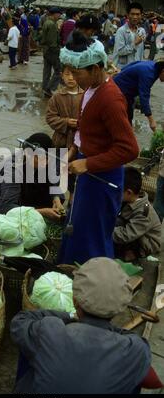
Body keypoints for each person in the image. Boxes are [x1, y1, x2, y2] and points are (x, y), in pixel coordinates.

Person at [10, 257, 161, 394]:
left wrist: (69, 317)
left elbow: (20, 321)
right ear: (119, 309)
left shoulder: (50, 331)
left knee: (31, 347)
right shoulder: (135, 349)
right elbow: (153, 380)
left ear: (75, 301)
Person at [58, 32, 139, 265]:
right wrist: (75, 147)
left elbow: (129, 149)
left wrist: (88, 163)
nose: (72, 77)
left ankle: (93, 287)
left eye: (77, 73)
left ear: (95, 68)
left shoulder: (111, 99)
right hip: (88, 172)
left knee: (92, 236)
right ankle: (70, 274)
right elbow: (86, 126)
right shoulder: (91, 89)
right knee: (78, 227)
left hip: (103, 178)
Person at [0, 133, 64, 220]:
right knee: (10, 207)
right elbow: (5, 207)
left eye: (47, 158)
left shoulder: (45, 159)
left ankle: (26, 207)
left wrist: (56, 198)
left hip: (23, 186)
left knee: (50, 194)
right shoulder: (14, 167)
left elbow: (54, 179)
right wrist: (42, 212)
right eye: (40, 158)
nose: (45, 162)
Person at [46, 65, 83, 201]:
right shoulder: (57, 97)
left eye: (74, 74)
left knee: (75, 177)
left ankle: (72, 205)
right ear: (62, 75)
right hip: (60, 143)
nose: (71, 78)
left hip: (78, 144)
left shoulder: (84, 95)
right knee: (56, 173)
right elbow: (50, 118)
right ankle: (56, 203)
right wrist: (66, 122)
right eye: (67, 74)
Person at [113, 167, 161, 261]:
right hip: (135, 231)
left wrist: (103, 230)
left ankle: (132, 255)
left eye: (118, 191)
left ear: (129, 192)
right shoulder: (129, 199)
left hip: (145, 243)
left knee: (116, 225)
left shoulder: (144, 212)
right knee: (115, 222)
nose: (115, 193)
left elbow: (126, 235)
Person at [113, 51, 164, 130]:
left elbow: (135, 63)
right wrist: (151, 121)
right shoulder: (149, 75)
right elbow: (144, 96)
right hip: (119, 91)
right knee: (124, 119)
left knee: (129, 115)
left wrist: (121, 71)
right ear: (163, 71)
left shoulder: (152, 65)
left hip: (125, 90)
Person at [113, 2, 146, 69]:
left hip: (136, 68)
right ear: (128, 15)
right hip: (123, 69)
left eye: (137, 14)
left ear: (141, 15)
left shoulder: (141, 31)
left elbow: (140, 52)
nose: (135, 17)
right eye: (132, 14)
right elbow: (120, 51)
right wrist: (134, 43)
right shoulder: (121, 31)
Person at [41, 7, 62, 98]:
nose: (60, 16)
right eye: (59, 14)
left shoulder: (46, 22)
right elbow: (52, 41)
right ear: (55, 14)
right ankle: (49, 89)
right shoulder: (52, 24)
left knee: (47, 70)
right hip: (52, 50)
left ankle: (45, 87)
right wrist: (58, 52)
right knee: (59, 71)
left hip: (45, 50)